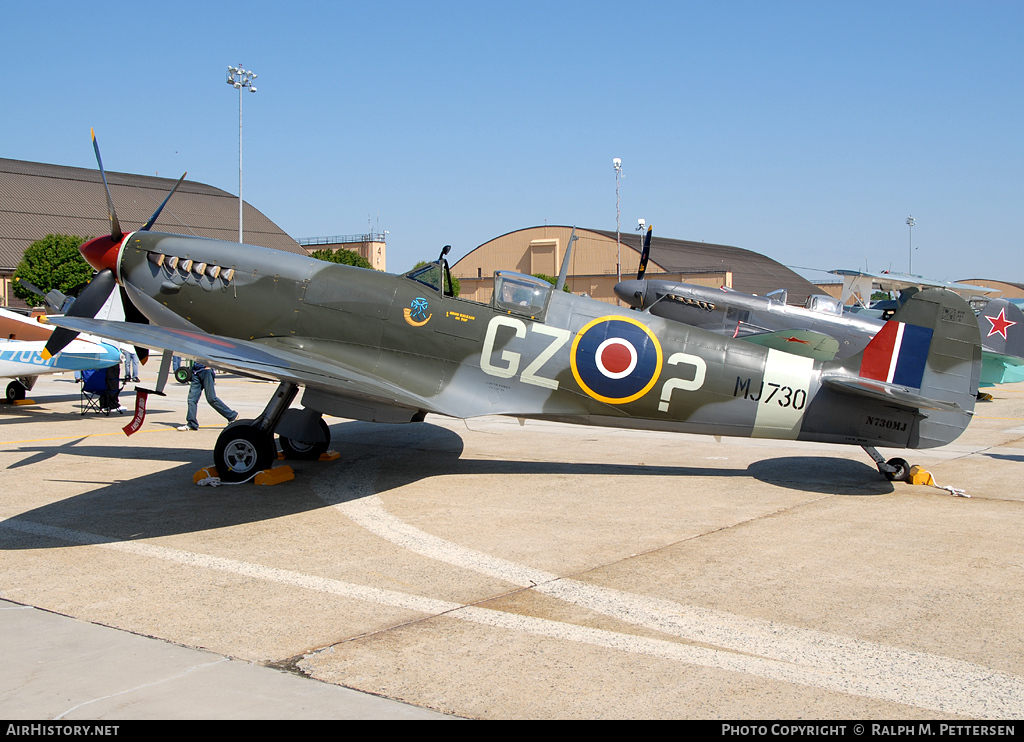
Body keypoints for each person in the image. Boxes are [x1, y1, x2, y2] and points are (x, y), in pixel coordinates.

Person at [177, 362, 237, 431]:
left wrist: (210, 365)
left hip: (206, 371)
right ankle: (192, 423)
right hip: (196, 372)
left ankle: (231, 415)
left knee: (211, 398)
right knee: (192, 399)